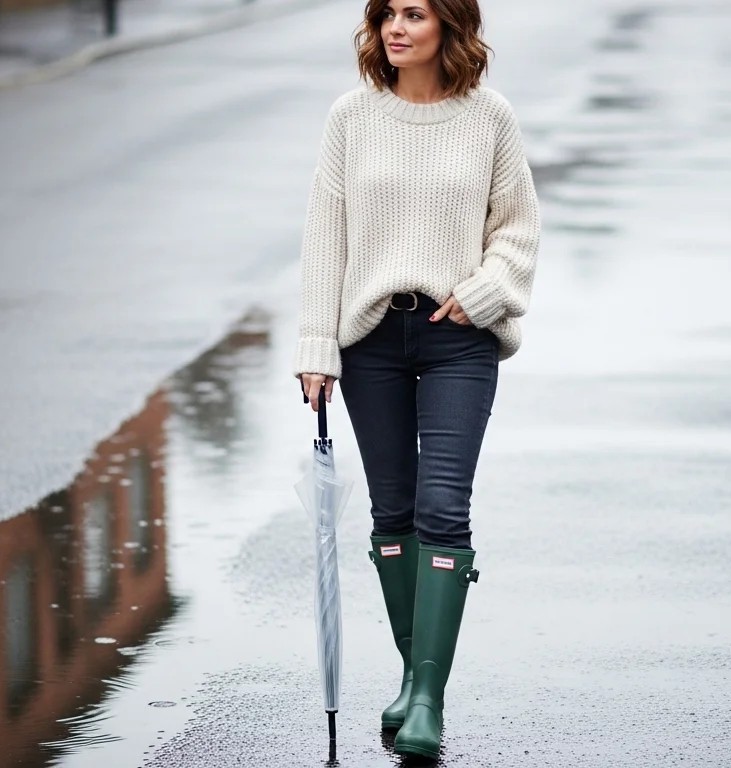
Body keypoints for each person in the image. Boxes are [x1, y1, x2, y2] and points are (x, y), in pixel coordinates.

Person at [293, 0, 540, 758]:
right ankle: (412, 676)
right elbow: (325, 233)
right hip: (370, 339)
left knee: (443, 507)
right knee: (393, 508)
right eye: (386, 14)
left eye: (413, 14)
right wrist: (317, 346)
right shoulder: (352, 117)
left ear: (449, 28)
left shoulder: (488, 117)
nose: (394, 28)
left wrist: (488, 292)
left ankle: (427, 698)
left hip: (457, 336)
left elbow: (518, 226)